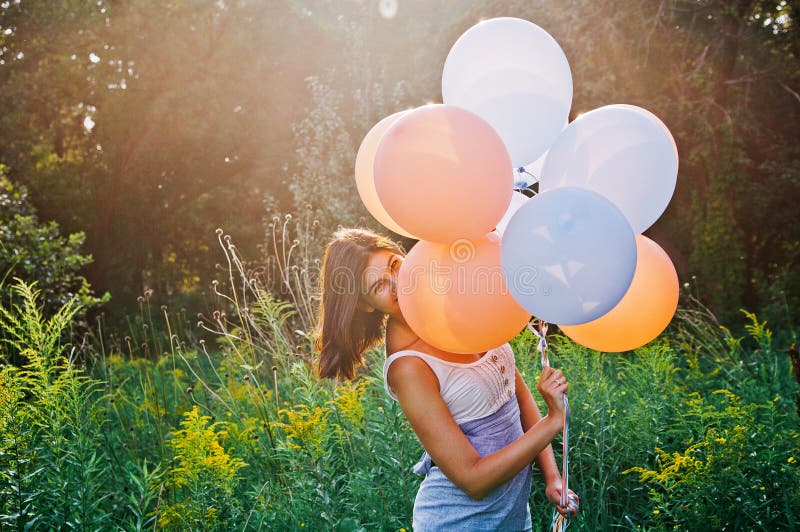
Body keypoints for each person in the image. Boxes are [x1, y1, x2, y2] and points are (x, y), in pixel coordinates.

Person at [314, 227, 578, 530]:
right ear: (365, 305)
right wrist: (552, 422)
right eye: (379, 286)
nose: (398, 282)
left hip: (515, 518)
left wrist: (553, 477)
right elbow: (473, 479)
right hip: (459, 521)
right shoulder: (409, 366)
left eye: (395, 265)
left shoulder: (459, 309)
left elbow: (514, 394)